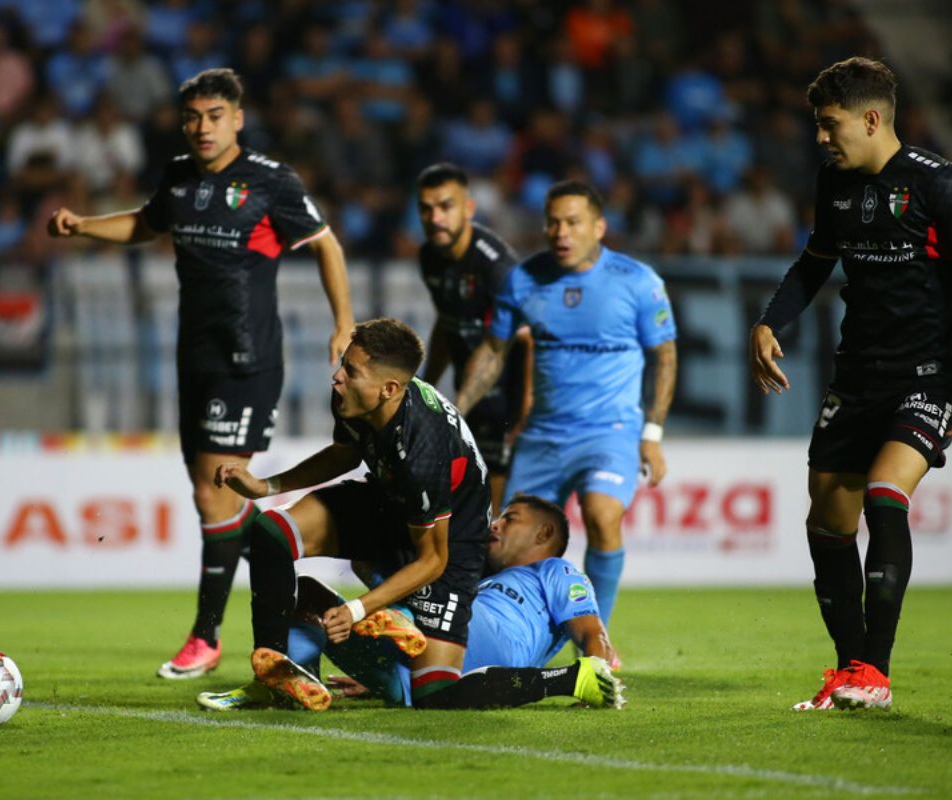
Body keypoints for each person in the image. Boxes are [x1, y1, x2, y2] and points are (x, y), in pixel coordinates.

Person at [47, 68, 354, 680]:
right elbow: (145, 222)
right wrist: (85, 225)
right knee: (208, 494)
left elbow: (326, 244)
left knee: (215, 489)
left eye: (215, 115)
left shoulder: (271, 182)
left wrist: (343, 324)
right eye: (192, 117)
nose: (202, 127)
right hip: (196, 358)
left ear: (237, 118)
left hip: (249, 359)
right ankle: (281, 590)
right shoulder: (180, 177)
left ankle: (207, 636)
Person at [749, 57, 952, 712]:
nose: (821, 138)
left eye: (829, 125)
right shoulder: (833, 184)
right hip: (856, 373)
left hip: (928, 374)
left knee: (886, 492)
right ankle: (850, 672)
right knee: (827, 516)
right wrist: (769, 322)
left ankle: (875, 670)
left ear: (871, 118)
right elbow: (813, 264)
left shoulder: (939, 184)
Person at [210, 318, 623, 711]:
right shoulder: (355, 398)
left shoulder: (424, 450)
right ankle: (279, 675)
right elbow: (346, 452)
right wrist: (267, 486)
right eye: (343, 365)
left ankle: (403, 616)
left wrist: (358, 609)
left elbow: (434, 559)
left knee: (436, 693)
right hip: (391, 500)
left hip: (451, 540)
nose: (337, 377)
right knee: (272, 532)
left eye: (350, 370)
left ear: (389, 388)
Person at [456, 180, 678, 631]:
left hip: (610, 432)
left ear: (598, 227)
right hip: (543, 436)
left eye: (573, 222)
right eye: (553, 222)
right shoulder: (525, 279)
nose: (561, 232)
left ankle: (599, 642)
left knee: (600, 514)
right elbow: (495, 351)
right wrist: (454, 411)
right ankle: (501, 634)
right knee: (508, 546)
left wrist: (652, 435)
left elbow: (665, 356)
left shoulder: (637, 282)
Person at [196, 493, 620, 710]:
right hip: (415, 669)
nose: (496, 523)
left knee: (425, 564)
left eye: (511, 519)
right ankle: (302, 676)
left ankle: (398, 613)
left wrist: (598, 671)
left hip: (492, 645)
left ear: (543, 536)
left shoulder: (555, 573)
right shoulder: (480, 579)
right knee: (304, 590)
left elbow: (591, 633)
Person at [415, 162, 532, 514]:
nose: (435, 217)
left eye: (445, 206)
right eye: (426, 208)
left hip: (511, 400)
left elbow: (531, 339)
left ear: (468, 208)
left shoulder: (496, 268)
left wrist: (525, 414)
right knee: (471, 508)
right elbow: (447, 323)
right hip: (474, 394)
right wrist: (427, 386)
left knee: (496, 511)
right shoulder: (430, 258)